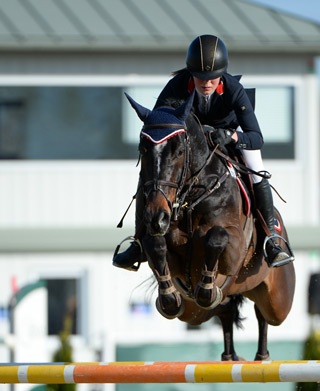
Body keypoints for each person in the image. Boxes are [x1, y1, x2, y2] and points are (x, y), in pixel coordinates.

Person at [113, 34, 289, 270]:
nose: (206, 83)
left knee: (256, 169)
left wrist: (232, 136)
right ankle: (139, 242)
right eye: (200, 77)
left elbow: (257, 137)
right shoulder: (176, 87)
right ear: (191, 73)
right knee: (153, 174)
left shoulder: (235, 91)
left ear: (221, 74)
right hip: (189, 145)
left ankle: (270, 239)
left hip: (228, 139)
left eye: (212, 78)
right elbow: (159, 125)